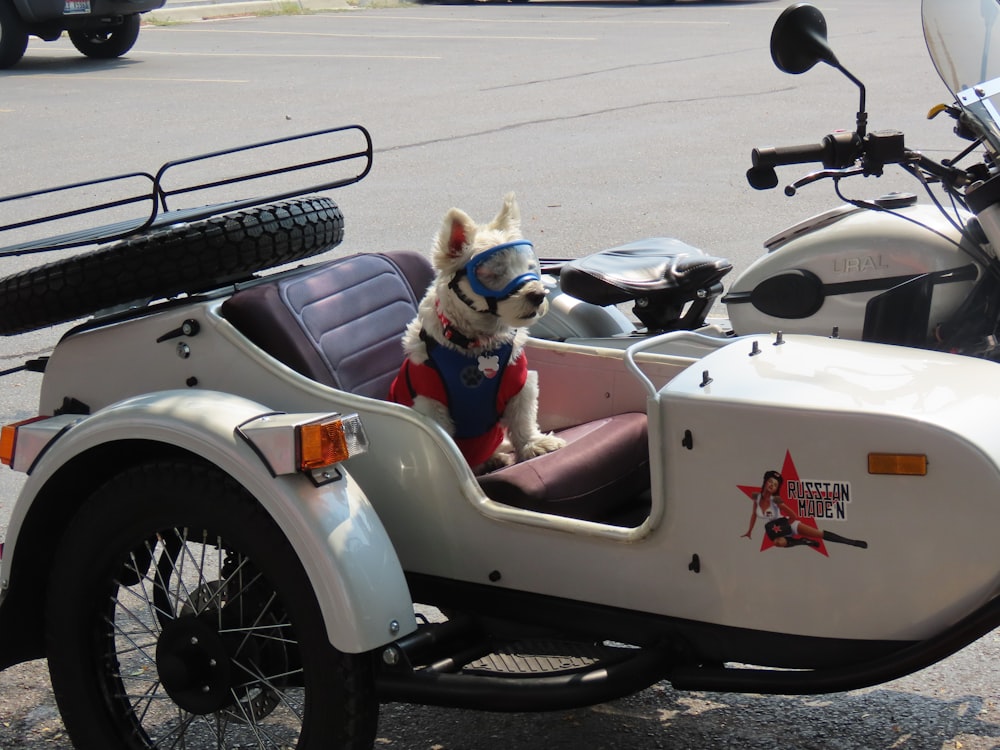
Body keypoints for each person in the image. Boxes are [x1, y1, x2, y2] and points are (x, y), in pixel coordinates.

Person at [742, 470, 867, 549]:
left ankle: (852, 542)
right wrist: (749, 531)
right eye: (770, 482)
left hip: (787, 524)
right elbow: (754, 514)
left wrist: (785, 526)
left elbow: (793, 516)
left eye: (775, 485)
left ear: (776, 489)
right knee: (778, 543)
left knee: (819, 534)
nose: (772, 485)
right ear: (765, 481)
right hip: (777, 530)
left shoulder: (776, 500)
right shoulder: (756, 497)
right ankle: (803, 541)